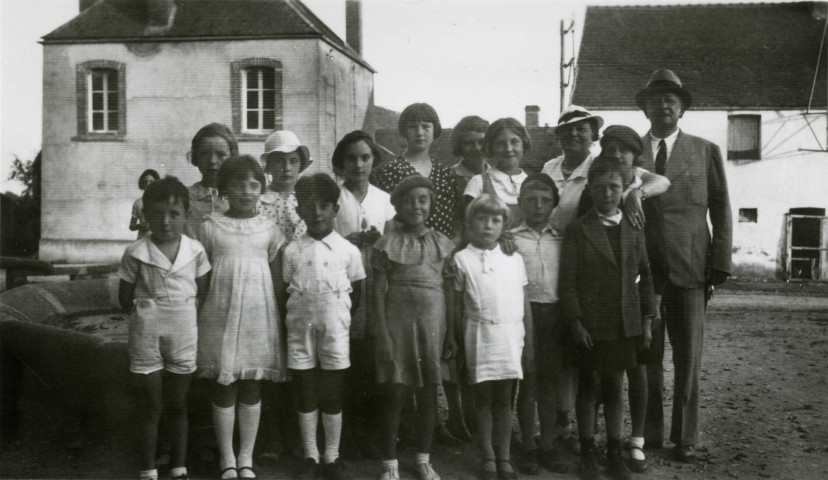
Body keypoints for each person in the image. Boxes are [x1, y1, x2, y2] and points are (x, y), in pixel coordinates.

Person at [634, 69, 732, 463]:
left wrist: (720, 259)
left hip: (691, 268)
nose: (663, 105)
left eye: (671, 99)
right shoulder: (628, 152)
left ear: (682, 107)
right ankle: (651, 433)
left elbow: (722, 208)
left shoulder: (705, 150)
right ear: (644, 107)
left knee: (688, 356)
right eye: (655, 99)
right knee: (647, 356)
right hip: (642, 272)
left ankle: (686, 436)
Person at [578, 125, 669, 473]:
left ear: (636, 156)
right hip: (601, 308)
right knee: (603, 379)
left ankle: (636, 443)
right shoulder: (599, 193)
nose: (617, 154)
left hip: (638, 300)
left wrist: (652, 304)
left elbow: (653, 257)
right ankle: (598, 445)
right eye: (610, 148)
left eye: (625, 150)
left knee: (638, 372)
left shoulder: (647, 195)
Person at [559, 157, 655, 480]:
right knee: (589, 387)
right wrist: (575, 323)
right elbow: (568, 282)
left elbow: (645, 276)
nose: (608, 194)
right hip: (590, 325)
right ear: (590, 189)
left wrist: (645, 322)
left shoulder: (634, 226)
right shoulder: (579, 229)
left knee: (615, 386)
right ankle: (588, 451)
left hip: (623, 324)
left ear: (623, 189)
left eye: (614, 187)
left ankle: (614, 451)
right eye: (600, 188)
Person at [196, 156, 288, 480]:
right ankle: (227, 459)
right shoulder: (210, 227)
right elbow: (202, 280)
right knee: (224, 385)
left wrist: (282, 320)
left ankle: (246, 458)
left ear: (261, 189)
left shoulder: (269, 229)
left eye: (253, 184)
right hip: (219, 313)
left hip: (257, 315)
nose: (246, 191)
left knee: (251, 385)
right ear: (224, 189)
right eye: (238, 184)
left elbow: (277, 280)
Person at [118, 177, 211, 480]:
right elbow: (124, 296)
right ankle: (147, 469)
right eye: (157, 214)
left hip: (183, 331)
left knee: (179, 403)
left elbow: (203, 291)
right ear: (146, 215)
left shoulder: (195, 251)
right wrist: (148, 312)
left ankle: (179, 466)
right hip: (147, 332)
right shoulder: (136, 252)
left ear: (186, 214)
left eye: (174, 214)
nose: (166, 221)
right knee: (151, 404)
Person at [278, 173, 366, 480]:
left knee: (332, 392)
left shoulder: (348, 251)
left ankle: (332, 456)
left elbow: (356, 295)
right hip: (300, 330)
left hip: (335, 331)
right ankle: (310, 456)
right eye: (309, 205)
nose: (316, 212)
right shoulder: (291, 251)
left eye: (324, 205)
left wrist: (335, 317)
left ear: (335, 209)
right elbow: (283, 292)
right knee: (305, 391)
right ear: (299, 210)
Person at [372, 176, 456, 480]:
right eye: (409, 200)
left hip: (433, 326)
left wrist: (451, 334)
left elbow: (449, 293)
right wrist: (381, 334)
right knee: (395, 394)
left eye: (423, 199)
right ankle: (389, 463)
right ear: (397, 206)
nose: (416, 206)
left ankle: (423, 459)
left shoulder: (443, 243)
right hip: (398, 327)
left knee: (429, 393)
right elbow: (377, 292)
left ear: (431, 204)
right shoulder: (386, 244)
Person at [450, 194, 529, 480]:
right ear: (470, 222)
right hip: (479, 334)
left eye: (495, 220)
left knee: (504, 399)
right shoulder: (461, 259)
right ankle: (488, 454)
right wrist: (456, 339)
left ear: (504, 225)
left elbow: (524, 300)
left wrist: (527, 340)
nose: (488, 226)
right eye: (481, 219)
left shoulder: (513, 257)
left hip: (509, 335)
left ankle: (505, 455)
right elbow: (457, 305)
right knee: (482, 398)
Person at [331, 131, 395, 459]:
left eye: (365, 158)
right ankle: (345, 435)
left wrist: (377, 243)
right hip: (344, 286)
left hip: (378, 286)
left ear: (374, 161)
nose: (358, 165)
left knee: (373, 360)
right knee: (347, 359)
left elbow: (396, 240)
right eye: (351, 159)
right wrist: (349, 239)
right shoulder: (335, 199)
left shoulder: (384, 200)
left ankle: (370, 431)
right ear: (341, 163)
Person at [510, 174, 568, 476]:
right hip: (522, 316)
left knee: (549, 383)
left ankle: (547, 444)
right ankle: (528, 448)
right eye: (530, 199)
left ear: (554, 205)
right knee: (528, 382)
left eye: (545, 200)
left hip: (555, 316)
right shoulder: (510, 240)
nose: (537, 205)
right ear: (520, 203)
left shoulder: (561, 238)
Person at [370, 103, 459, 238]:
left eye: (426, 127)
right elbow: (385, 218)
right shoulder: (391, 171)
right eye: (413, 127)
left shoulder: (446, 173)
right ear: (404, 131)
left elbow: (456, 218)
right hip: (406, 251)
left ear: (434, 130)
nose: (419, 133)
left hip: (444, 251)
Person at [463, 118, 531, 231]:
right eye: (500, 143)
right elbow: (468, 228)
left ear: (524, 143)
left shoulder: (531, 183)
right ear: (491, 147)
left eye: (514, 142)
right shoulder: (478, 182)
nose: (508, 149)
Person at [259, 130, 312, 243]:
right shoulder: (259, 202)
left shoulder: (309, 198)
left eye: (293, 161)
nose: (286, 167)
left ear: (300, 165)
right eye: (279, 161)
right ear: (269, 166)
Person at [184, 123, 236, 238]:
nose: (212, 161)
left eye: (221, 155)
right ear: (195, 157)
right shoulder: (184, 197)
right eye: (205, 154)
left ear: (232, 158)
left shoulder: (240, 198)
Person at [129, 169, 160, 239]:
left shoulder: (161, 201)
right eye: (145, 182)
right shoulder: (138, 203)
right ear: (142, 184)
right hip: (142, 239)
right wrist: (140, 226)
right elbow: (131, 226)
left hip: (158, 239)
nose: (148, 184)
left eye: (151, 182)